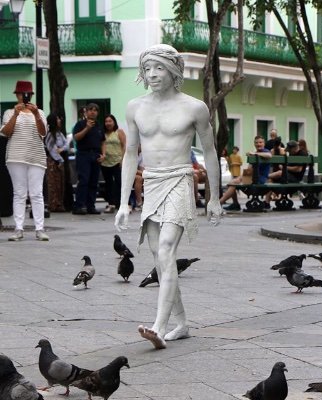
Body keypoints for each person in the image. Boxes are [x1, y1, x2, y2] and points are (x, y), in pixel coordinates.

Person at [114, 44, 222, 350]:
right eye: (147, 69)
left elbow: (211, 151)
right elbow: (130, 154)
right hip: (152, 183)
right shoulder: (135, 107)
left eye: (159, 68)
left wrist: (214, 198)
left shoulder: (194, 107)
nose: (152, 75)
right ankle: (182, 323)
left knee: (165, 250)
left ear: (173, 70)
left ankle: (159, 327)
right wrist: (124, 202)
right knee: (160, 260)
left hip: (179, 180)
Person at [0, 80, 49, 241]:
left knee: (37, 193)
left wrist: (35, 114)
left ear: (31, 95)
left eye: (26, 94)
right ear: (17, 95)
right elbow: (6, 133)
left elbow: (43, 133)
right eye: (21, 94)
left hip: (36, 156)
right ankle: (18, 228)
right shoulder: (9, 112)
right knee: (19, 193)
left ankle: (40, 228)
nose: (24, 97)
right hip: (16, 156)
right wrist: (15, 114)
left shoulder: (40, 112)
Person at [220, 136, 271, 211]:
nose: (258, 144)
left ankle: (220, 203)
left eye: (260, 142)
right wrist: (242, 176)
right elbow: (249, 169)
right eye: (256, 142)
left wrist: (255, 154)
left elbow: (269, 155)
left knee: (233, 184)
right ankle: (234, 203)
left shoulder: (265, 151)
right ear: (254, 144)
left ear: (264, 143)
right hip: (252, 177)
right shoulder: (255, 153)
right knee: (232, 183)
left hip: (260, 179)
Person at [72, 103, 106, 214]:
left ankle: (90, 206)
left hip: (95, 155)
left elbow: (103, 141)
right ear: (86, 112)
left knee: (93, 182)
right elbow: (76, 137)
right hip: (83, 155)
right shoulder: (80, 124)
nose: (93, 112)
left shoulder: (99, 126)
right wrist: (87, 128)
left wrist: (103, 154)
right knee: (83, 180)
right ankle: (79, 206)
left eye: (95, 110)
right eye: (90, 110)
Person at [264, 140, 308, 208]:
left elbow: (298, 169)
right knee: (271, 180)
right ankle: (266, 202)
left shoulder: (302, 154)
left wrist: (285, 168)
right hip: (288, 175)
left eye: (289, 150)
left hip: (296, 177)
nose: (289, 152)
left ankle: (264, 176)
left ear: (294, 148)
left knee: (279, 173)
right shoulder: (292, 153)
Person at [101, 114, 126, 213]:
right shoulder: (102, 133)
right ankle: (111, 203)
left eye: (110, 121)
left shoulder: (119, 132)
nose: (108, 123)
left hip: (117, 161)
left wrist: (122, 160)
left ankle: (121, 203)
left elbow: (124, 146)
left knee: (119, 182)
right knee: (109, 184)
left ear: (114, 122)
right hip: (105, 162)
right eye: (106, 121)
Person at [45, 114, 68, 212]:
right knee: (53, 183)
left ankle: (59, 203)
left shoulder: (59, 133)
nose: (60, 120)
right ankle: (53, 204)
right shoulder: (50, 134)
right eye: (58, 118)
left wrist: (62, 149)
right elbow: (52, 149)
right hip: (53, 162)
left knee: (60, 183)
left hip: (59, 161)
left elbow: (66, 144)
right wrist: (60, 160)